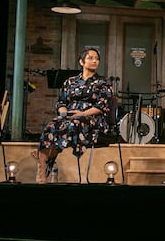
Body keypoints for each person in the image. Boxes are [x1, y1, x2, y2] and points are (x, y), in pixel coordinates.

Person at [35, 47, 113, 184]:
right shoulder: (70, 82)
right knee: (52, 125)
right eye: (90, 58)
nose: (94, 61)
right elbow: (61, 102)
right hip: (70, 117)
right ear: (81, 62)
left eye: (97, 59)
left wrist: (82, 113)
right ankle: (42, 164)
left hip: (92, 119)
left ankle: (49, 156)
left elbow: (102, 106)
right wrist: (64, 113)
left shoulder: (103, 83)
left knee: (75, 123)